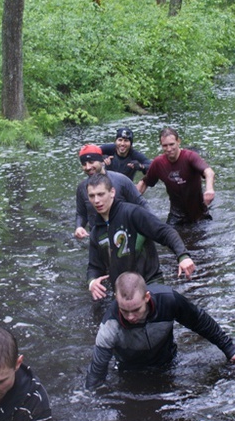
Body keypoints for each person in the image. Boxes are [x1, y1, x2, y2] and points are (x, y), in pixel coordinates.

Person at [85, 272, 235, 389]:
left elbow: (200, 321)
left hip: (169, 362)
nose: (130, 317)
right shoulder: (110, 326)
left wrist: (230, 349)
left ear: (147, 297)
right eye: (124, 310)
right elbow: (97, 372)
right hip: (131, 373)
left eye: (136, 309)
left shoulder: (168, 300)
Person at [86, 172, 195, 300]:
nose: (96, 200)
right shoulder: (96, 231)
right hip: (122, 292)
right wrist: (92, 282)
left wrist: (182, 256)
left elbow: (165, 232)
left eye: (101, 194)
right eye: (92, 196)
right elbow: (94, 266)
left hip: (150, 283)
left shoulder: (133, 213)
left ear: (112, 192)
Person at [137, 127, 216, 225]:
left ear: (178, 142)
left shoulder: (190, 157)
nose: (169, 149)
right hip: (176, 215)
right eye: (165, 146)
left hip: (199, 215)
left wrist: (209, 189)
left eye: (171, 144)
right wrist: (131, 201)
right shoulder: (158, 163)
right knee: (167, 238)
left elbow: (209, 172)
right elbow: (144, 182)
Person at [75, 144, 151, 239]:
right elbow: (81, 213)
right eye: (84, 164)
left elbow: (141, 203)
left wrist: (151, 226)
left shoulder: (121, 180)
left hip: (125, 234)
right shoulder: (82, 187)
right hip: (98, 237)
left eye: (91, 162)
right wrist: (79, 227)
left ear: (101, 161)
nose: (87, 167)